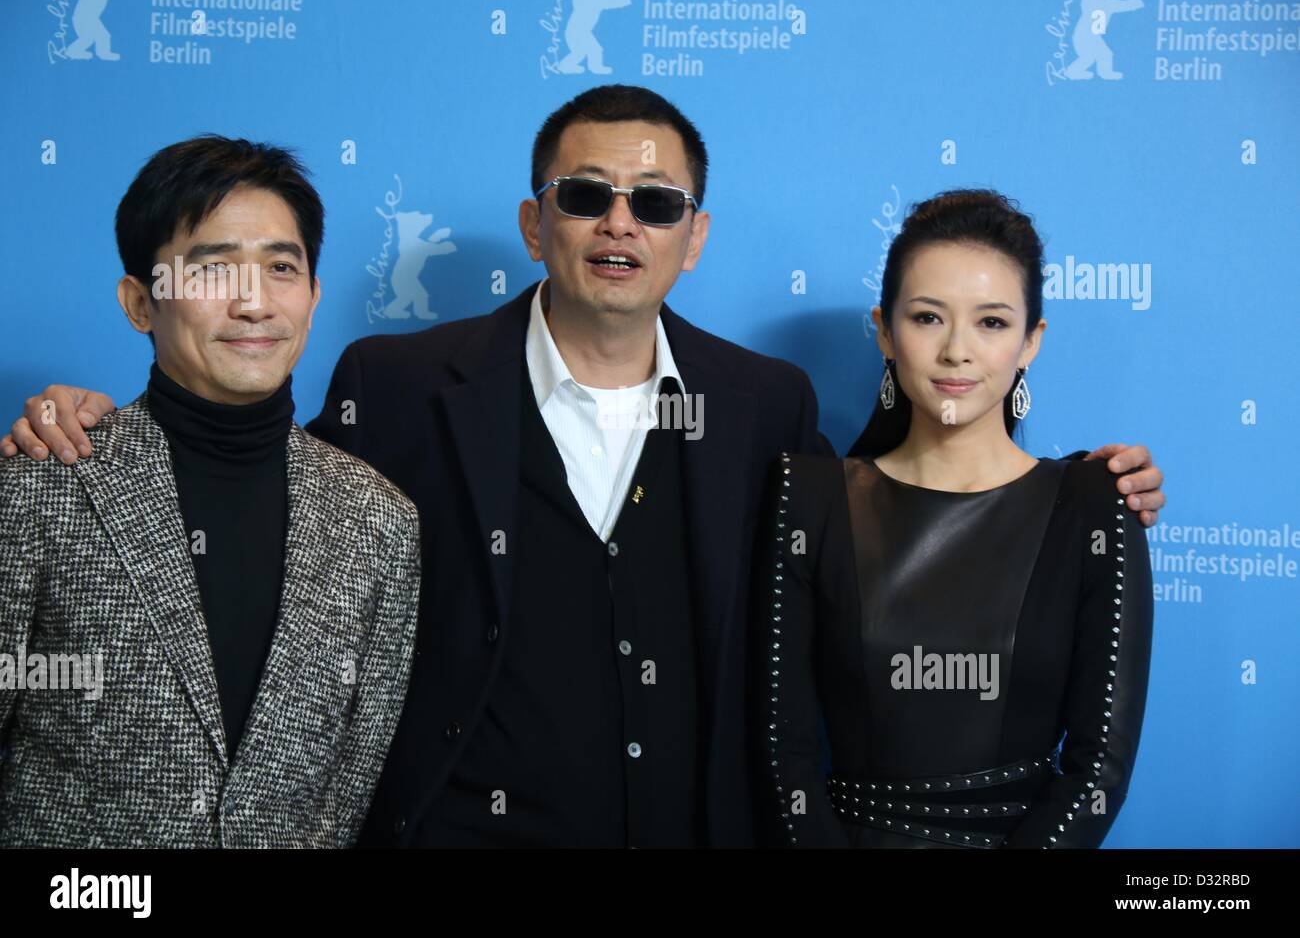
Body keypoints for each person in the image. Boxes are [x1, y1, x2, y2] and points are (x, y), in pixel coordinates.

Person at [0, 88, 1167, 848]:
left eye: (655, 202)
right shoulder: (400, 382)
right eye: (586, 195)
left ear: (693, 234)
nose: (620, 222)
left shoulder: (767, 403)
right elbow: (249, 471)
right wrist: (100, 422)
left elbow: (881, 516)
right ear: (533, 218)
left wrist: (1067, 495)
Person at [0, 136, 421, 847]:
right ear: (140, 302)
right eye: (213, 270)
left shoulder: (380, 519)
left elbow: (349, 788)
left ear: (314, 297)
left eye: (282, 268)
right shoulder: (44, 483)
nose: (254, 303)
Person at [753, 189, 1153, 848]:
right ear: (884, 329)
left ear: (1032, 341)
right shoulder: (810, 495)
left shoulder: (1095, 505)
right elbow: (782, 757)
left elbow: (1097, 775)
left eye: (992, 322)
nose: (957, 352)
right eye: (928, 317)